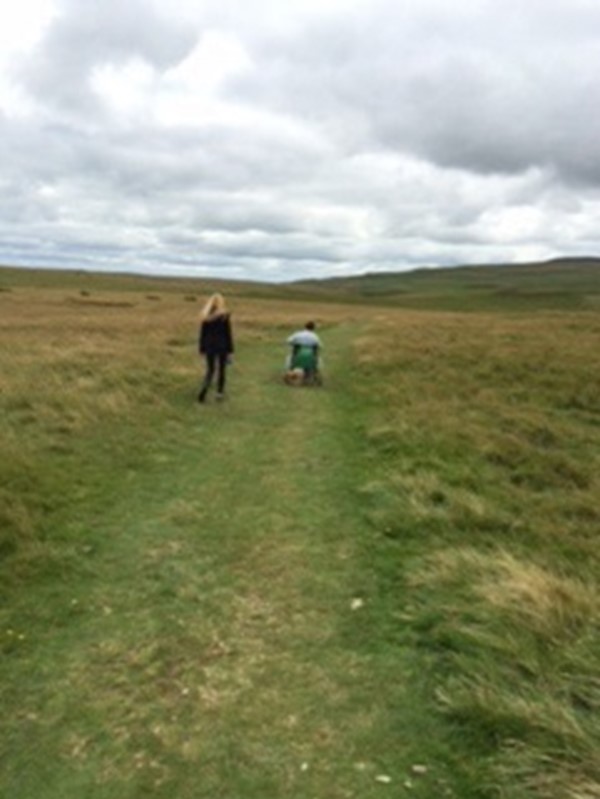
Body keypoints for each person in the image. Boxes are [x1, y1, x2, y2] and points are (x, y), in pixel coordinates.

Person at [198, 293, 234, 403]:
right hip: (222, 346)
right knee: (222, 370)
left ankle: (204, 391)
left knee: (210, 370)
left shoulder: (206, 317)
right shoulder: (224, 317)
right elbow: (228, 334)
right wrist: (230, 350)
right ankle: (219, 393)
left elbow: (202, 334)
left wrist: (202, 348)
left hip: (210, 346)